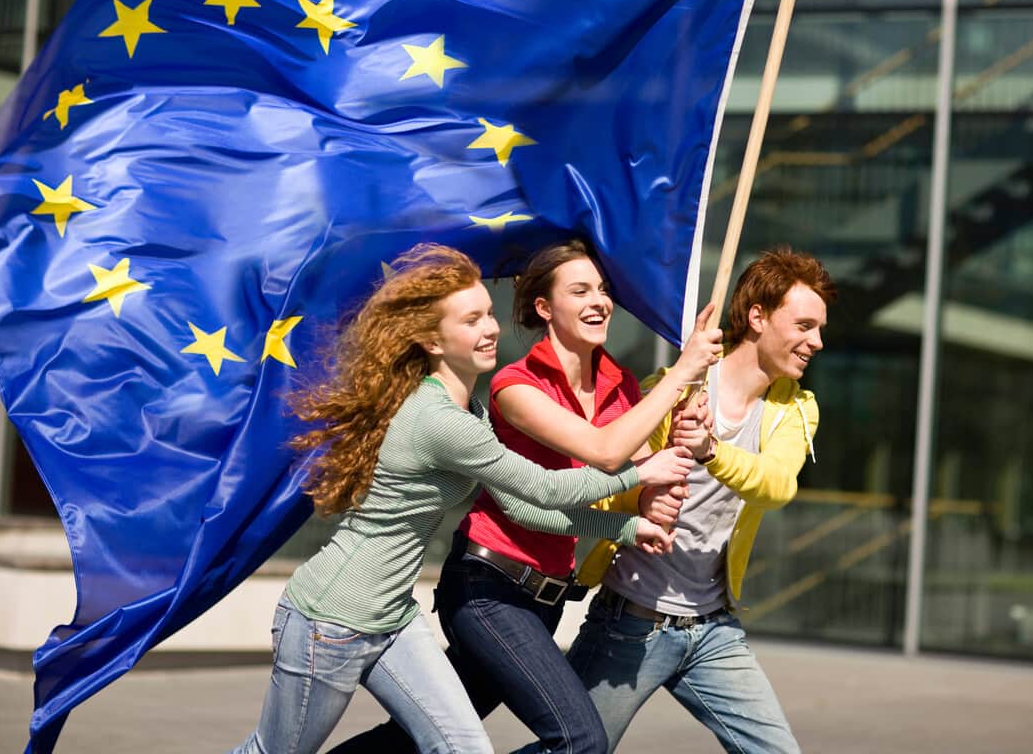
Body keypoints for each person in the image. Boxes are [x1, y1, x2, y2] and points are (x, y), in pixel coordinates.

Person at [232, 243, 693, 754]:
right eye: (471, 320)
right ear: (432, 339)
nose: (491, 329)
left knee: (464, 747)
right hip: (331, 618)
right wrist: (639, 472)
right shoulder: (440, 420)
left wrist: (624, 528)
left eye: (489, 315)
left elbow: (523, 507)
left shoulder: (470, 410)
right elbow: (545, 486)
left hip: (393, 619)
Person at [567, 246, 836, 754]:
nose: (816, 341)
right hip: (633, 621)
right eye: (804, 325)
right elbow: (605, 489)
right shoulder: (674, 390)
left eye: (819, 329)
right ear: (758, 316)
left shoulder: (798, 409)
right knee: (573, 749)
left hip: (714, 629)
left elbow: (778, 485)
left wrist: (711, 451)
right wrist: (645, 485)